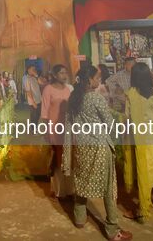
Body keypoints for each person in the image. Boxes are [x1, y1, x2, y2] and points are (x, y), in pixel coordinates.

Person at [64, 65, 133, 241]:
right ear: (89, 80)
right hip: (100, 147)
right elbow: (109, 124)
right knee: (109, 188)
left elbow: (70, 126)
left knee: (81, 182)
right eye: (97, 78)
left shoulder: (73, 98)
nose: (99, 81)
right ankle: (112, 230)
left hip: (81, 147)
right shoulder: (96, 98)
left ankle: (79, 218)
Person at [123, 63, 153, 224]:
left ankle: (143, 207)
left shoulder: (131, 93)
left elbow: (127, 116)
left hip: (141, 137)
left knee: (144, 171)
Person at [40, 64, 74, 199]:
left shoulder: (69, 89)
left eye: (65, 72)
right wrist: (46, 131)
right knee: (57, 159)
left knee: (68, 158)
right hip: (54, 129)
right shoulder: (48, 90)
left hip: (67, 129)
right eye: (61, 73)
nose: (64, 75)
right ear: (54, 75)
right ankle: (59, 190)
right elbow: (44, 112)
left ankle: (70, 189)